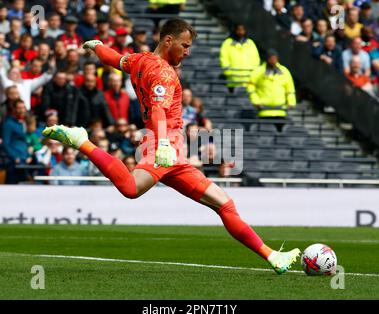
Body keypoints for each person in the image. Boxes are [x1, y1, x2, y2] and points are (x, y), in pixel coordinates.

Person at [43, 18, 300, 274]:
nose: (187, 52)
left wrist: (97, 46)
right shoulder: (163, 72)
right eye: (184, 46)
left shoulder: (139, 60)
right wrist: (164, 142)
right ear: (168, 40)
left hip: (174, 151)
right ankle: (81, 141)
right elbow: (157, 109)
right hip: (162, 145)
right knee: (131, 188)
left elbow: (115, 59)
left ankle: (271, 256)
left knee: (224, 203)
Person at [247, 49, 296, 128]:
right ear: (267, 59)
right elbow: (250, 87)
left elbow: (290, 88)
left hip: (280, 111)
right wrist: (256, 101)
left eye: (275, 58)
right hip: (264, 110)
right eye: (271, 58)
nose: (273, 60)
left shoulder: (284, 71)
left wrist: (291, 102)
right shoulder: (259, 71)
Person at [219, 24, 260, 91]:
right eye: (239, 30)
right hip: (233, 78)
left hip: (248, 78)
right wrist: (229, 72)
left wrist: (253, 72)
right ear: (235, 30)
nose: (240, 32)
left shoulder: (250, 42)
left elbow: (256, 58)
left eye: (242, 30)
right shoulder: (227, 42)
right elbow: (223, 58)